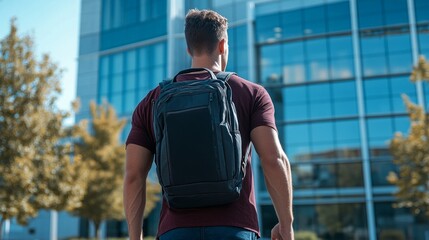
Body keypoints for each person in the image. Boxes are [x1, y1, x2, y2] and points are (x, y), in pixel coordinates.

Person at [124, 9, 294, 240]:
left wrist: (135, 237)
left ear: (188, 48)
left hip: (175, 230)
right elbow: (274, 160)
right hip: (235, 228)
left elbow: (134, 175)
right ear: (223, 45)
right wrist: (286, 224)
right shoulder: (252, 93)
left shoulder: (152, 100)